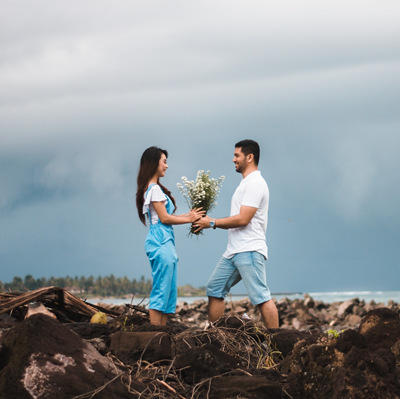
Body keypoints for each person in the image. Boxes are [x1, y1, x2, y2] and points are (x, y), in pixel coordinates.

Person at [193, 139, 279, 329]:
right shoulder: (245, 183)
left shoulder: (256, 183)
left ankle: (277, 344)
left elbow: (243, 219)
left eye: (237, 155)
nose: (233, 159)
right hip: (233, 252)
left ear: (250, 157)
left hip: (249, 250)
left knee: (261, 297)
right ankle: (215, 335)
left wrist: (212, 222)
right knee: (215, 288)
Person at [136, 146, 205, 325]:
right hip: (160, 240)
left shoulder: (153, 188)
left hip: (164, 239)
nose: (167, 166)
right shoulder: (154, 190)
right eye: (164, 162)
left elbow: (164, 217)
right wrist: (189, 218)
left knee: (168, 291)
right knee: (161, 289)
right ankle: (155, 333)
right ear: (154, 164)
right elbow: (164, 218)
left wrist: (189, 216)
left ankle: (162, 334)